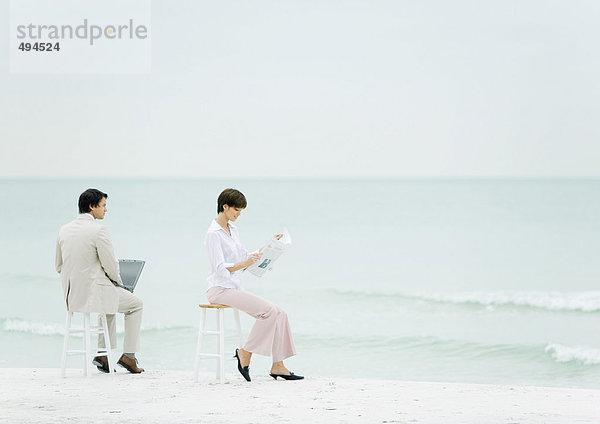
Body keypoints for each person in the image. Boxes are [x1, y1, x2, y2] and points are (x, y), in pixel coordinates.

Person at [204, 188, 303, 381]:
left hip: (233, 288)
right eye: (236, 210)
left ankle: (278, 365)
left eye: (241, 211)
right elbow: (220, 268)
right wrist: (245, 264)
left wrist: (269, 246)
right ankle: (245, 352)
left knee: (280, 313)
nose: (239, 214)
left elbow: (244, 256)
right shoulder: (213, 234)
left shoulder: (232, 229)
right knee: (269, 312)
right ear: (225, 206)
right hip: (219, 289)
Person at [55, 188, 144, 374]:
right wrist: (120, 283)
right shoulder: (99, 230)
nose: (106, 210)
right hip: (95, 293)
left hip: (72, 296)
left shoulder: (64, 230)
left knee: (108, 299)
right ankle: (129, 356)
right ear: (91, 207)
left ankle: (103, 355)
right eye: (103, 205)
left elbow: (58, 266)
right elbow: (111, 266)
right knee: (135, 304)